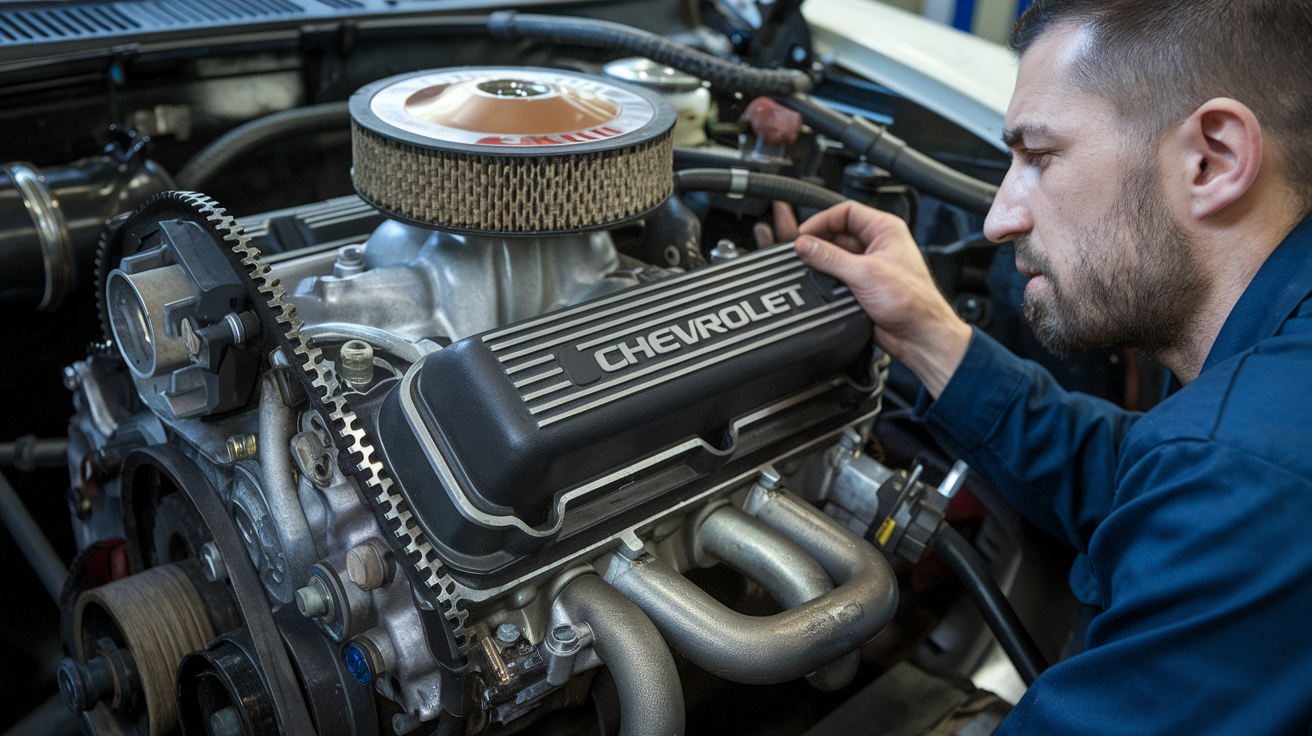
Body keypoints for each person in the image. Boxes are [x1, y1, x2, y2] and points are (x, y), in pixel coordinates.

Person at [793, 1, 1312, 733]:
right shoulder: (1254, 414)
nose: (998, 218)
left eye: (1039, 156)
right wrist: (930, 335)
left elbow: (1218, 478)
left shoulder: (1249, 475)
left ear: (1213, 159)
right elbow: (1152, 477)